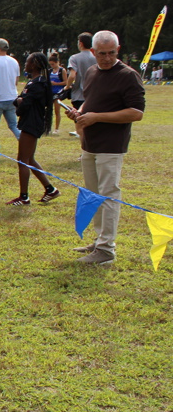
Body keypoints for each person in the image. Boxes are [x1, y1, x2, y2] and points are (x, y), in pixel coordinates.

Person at [65, 30, 146, 265]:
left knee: (108, 195)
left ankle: (106, 249)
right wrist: (79, 113)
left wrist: (97, 117)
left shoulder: (128, 76)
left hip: (111, 146)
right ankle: (100, 241)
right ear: (93, 52)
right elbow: (89, 102)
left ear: (118, 50)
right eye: (102, 53)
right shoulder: (92, 71)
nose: (107, 58)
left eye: (112, 53)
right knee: (93, 196)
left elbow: (136, 113)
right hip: (90, 143)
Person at [8, 52, 61, 206]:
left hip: (32, 123)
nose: (25, 64)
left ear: (35, 64)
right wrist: (19, 101)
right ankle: (50, 189)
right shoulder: (34, 82)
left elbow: (23, 104)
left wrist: (20, 102)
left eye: (28, 62)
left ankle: (24, 197)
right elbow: (18, 101)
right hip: (29, 122)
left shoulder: (38, 84)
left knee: (22, 161)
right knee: (29, 159)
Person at [0, 38, 22, 153]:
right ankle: (23, 142)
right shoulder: (14, 61)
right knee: (13, 125)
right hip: (12, 98)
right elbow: (16, 81)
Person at [65, 32, 95, 138]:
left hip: (79, 93)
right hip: (94, 94)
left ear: (81, 43)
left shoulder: (74, 58)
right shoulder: (96, 57)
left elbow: (72, 75)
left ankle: (81, 135)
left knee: (79, 118)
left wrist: (67, 86)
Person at [48, 52, 65, 134]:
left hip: (58, 93)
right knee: (48, 111)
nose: (52, 66)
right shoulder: (49, 71)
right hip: (50, 92)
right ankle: (48, 128)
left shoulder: (62, 70)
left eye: (53, 64)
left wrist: (56, 83)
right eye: (50, 64)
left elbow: (66, 82)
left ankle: (56, 129)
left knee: (57, 111)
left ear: (57, 62)